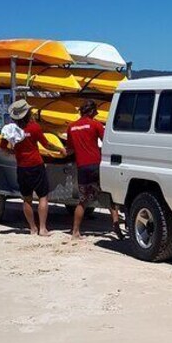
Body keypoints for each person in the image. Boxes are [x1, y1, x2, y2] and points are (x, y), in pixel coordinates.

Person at [0, 100, 65, 236]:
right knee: (43, 196)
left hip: (22, 167)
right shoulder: (34, 127)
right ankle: (42, 228)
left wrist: (15, 152)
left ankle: (32, 228)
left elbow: (2, 149)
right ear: (28, 113)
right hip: (36, 165)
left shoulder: (10, 130)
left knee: (27, 199)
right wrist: (60, 149)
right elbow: (46, 144)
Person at [66, 100, 123, 239]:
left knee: (83, 201)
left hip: (82, 167)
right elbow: (107, 142)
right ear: (91, 112)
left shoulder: (71, 127)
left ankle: (75, 231)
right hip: (96, 165)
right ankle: (116, 228)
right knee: (110, 197)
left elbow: (70, 149)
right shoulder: (95, 124)